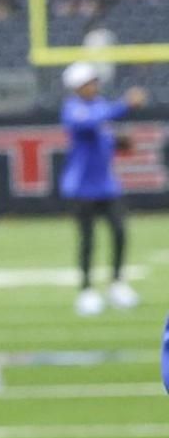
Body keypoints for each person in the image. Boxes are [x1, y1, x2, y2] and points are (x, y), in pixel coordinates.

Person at [58, 62, 147, 316]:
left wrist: (118, 142)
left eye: (94, 82)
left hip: (106, 185)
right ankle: (86, 290)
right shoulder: (72, 109)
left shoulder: (99, 106)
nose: (94, 86)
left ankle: (117, 283)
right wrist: (125, 104)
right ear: (77, 87)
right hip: (81, 187)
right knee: (88, 240)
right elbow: (88, 124)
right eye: (88, 83)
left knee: (120, 232)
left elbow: (102, 133)